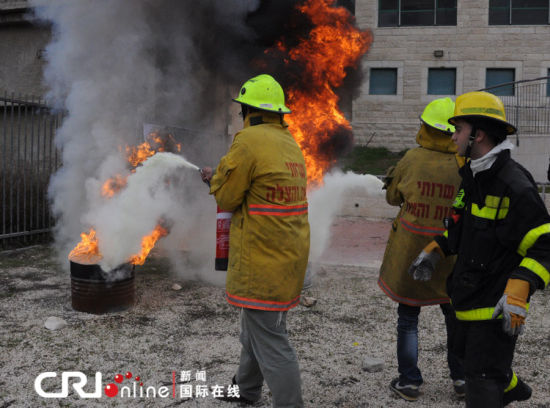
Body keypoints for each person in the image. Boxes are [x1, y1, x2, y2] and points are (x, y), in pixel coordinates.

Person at [408, 91, 550, 407]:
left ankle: (497, 382)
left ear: (478, 134)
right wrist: (437, 249)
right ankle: (507, 384)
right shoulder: (473, 176)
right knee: (464, 353)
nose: (453, 137)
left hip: (495, 306)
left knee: (481, 379)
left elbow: (544, 246)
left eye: (458, 130)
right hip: (467, 298)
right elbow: (462, 229)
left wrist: (520, 287)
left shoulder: (513, 184)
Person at [200, 74, 310, 407]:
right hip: (287, 256)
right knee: (255, 329)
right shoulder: (290, 143)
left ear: (248, 110)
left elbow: (230, 197)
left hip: (263, 259)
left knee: (272, 340)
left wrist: (216, 177)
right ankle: (246, 391)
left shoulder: (247, 140)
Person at [378, 97, 465, 401]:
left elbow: (392, 198)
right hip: (450, 254)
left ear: (426, 128)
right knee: (454, 315)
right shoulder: (463, 163)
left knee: (408, 317)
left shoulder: (411, 160)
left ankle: (409, 382)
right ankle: (462, 378)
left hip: (412, 254)